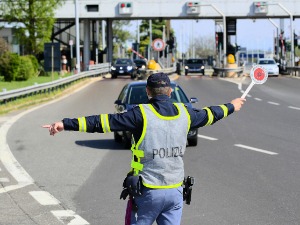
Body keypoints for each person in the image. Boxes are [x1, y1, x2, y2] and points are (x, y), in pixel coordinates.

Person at [43, 72, 245, 225]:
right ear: (170, 92)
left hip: (147, 192)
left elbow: (102, 122)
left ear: (148, 92)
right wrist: (232, 105)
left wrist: (65, 123)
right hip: (175, 191)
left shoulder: (140, 114)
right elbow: (211, 114)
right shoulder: (186, 113)